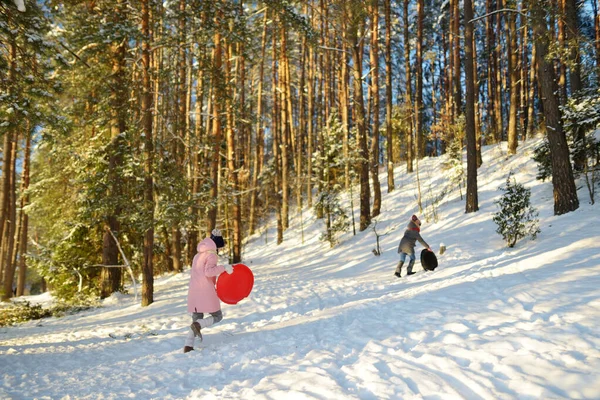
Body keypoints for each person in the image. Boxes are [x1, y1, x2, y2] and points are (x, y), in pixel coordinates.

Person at [183, 228, 233, 353]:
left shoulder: (197, 255)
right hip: (205, 289)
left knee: (196, 317)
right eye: (219, 247)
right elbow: (208, 272)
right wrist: (224, 268)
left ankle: (188, 346)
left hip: (194, 290)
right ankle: (199, 325)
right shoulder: (212, 255)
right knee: (217, 316)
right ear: (216, 245)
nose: (219, 250)